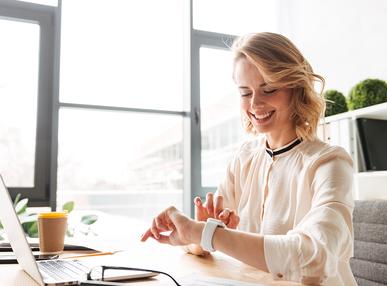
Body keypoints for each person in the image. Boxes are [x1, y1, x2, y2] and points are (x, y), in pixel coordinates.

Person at [141, 32, 357, 285]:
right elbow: (205, 238)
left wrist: (205, 233)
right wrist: (201, 235)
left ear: (295, 88)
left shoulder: (329, 163)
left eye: (269, 89)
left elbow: (314, 257)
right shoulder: (244, 158)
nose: (255, 103)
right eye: (245, 93)